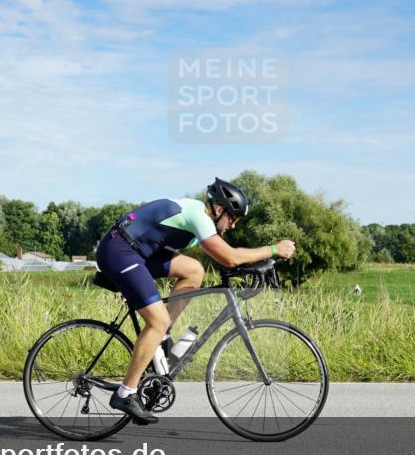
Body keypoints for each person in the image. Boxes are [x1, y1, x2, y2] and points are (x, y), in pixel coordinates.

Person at [96, 177, 296, 425]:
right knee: (156, 321)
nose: (232, 226)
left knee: (194, 270)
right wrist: (273, 250)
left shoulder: (200, 218)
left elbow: (227, 256)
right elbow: (230, 257)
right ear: (220, 209)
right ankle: (125, 393)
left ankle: (163, 336)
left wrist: (257, 265)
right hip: (119, 251)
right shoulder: (197, 215)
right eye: (232, 218)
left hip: (137, 250)